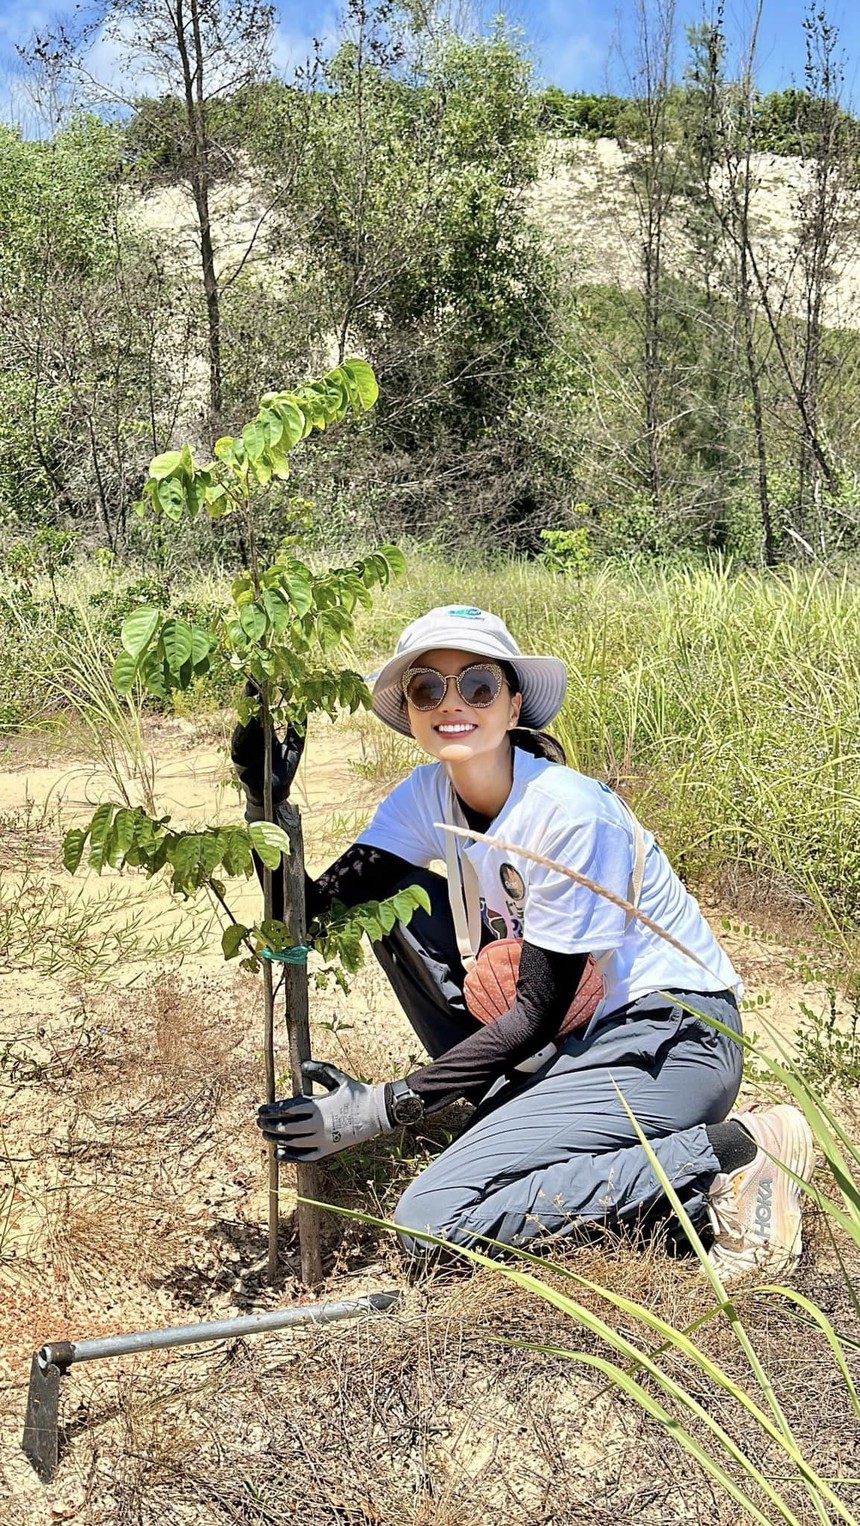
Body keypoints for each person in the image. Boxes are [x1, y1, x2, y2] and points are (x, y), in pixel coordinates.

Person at [233, 605, 815, 1279]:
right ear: (412, 712)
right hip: (575, 1044)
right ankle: (606, 1153)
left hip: (671, 1038)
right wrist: (264, 810)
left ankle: (730, 1154)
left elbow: (536, 1009)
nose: (453, 704)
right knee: (392, 913)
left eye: (477, 686)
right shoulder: (425, 796)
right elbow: (307, 915)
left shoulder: (568, 814)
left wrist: (382, 1107)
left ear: (513, 706)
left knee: (432, 1227)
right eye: (429, 688)